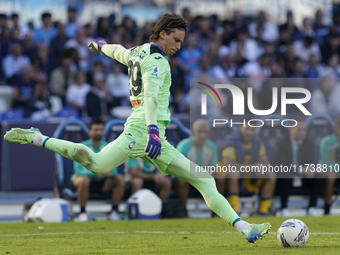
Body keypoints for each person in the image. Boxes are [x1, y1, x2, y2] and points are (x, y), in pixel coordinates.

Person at [4, 13, 271, 243]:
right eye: (176, 40)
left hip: (153, 137)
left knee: (204, 179)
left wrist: (99, 46)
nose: (178, 46)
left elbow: (116, 50)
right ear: (163, 34)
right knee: (96, 165)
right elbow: (152, 97)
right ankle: (38, 138)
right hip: (144, 131)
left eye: (181, 42)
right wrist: (154, 130)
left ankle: (245, 228)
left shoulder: (136, 52)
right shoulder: (157, 62)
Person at [72, 119, 125, 222]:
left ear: (104, 132)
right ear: (89, 132)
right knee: (83, 180)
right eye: (96, 130)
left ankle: (113, 212)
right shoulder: (81, 147)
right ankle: (82, 212)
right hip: (85, 181)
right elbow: (78, 172)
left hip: (104, 182)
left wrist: (106, 173)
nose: (98, 132)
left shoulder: (109, 147)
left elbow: (114, 171)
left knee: (120, 179)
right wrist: (96, 173)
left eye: (101, 130)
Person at [219, 121, 276, 216]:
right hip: (229, 179)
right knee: (233, 173)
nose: (249, 132)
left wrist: (262, 168)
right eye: (247, 129)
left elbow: (265, 161)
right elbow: (227, 164)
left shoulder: (257, 142)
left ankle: (264, 210)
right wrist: (251, 168)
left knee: (270, 174)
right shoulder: (231, 142)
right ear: (240, 128)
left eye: (252, 130)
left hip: (250, 178)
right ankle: (235, 210)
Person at [274, 120, 323, 217]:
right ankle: (283, 208)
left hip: (304, 177)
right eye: (299, 130)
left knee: (318, 176)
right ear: (291, 130)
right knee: (285, 177)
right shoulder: (281, 144)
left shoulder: (309, 143)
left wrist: (310, 168)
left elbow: (312, 160)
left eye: (304, 130)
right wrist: (301, 170)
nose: (302, 133)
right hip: (287, 176)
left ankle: (311, 207)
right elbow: (282, 165)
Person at [176, 119, 218, 207]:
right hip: (186, 176)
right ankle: (183, 209)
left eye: (205, 132)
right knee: (181, 180)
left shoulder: (212, 146)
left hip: (204, 176)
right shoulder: (184, 146)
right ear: (193, 132)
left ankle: (217, 210)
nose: (202, 135)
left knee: (220, 178)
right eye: (200, 132)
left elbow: (214, 167)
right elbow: (179, 168)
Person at [320, 117, 340, 215]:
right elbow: (329, 162)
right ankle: (327, 207)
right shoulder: (329, 142)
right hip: (332, 170)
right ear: (337, 130)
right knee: (331, 176)